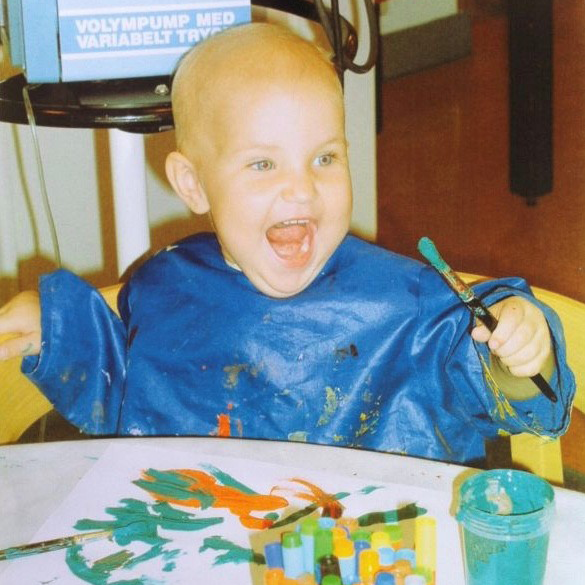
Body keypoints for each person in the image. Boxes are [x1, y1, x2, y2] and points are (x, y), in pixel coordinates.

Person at [0, 23, 575, 464]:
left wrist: (523, 347)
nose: (301, 188)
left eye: (324, 158)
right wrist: (55, 329)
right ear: (193, 184)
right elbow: (124, 389)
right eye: (263, 164)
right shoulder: (165, 287)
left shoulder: (410, 302)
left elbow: (503, 385)